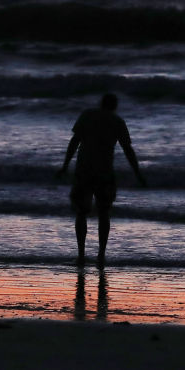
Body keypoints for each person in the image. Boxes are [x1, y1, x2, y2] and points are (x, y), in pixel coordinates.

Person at [58, 93, 146, 265]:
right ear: (114, 106)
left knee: (81, 212)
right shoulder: (117, 122)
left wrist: (65, 165)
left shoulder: (87, 115)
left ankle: (81, 254)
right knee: (104, 213)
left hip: (84, 169)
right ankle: (101, 254)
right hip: (105, 172)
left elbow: (74, 142)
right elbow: (128, 150)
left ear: (101, 103)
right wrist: (138, 173)